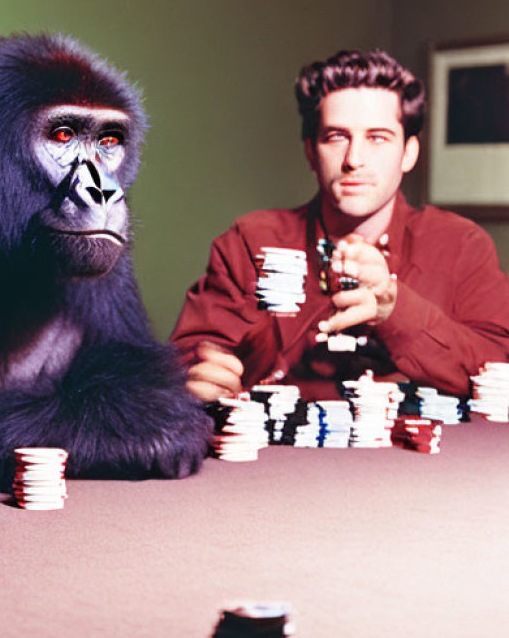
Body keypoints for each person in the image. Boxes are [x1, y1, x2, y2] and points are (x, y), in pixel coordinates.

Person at [171, 49, 509, 402]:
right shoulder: (250, 242)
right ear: (310, 152)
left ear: (409, 153)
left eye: (378, 138)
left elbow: (497, 368)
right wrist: (196, 378)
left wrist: (396, 311)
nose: (354, 160)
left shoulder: (461, 245)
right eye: (336, 136)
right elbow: (186, 362)